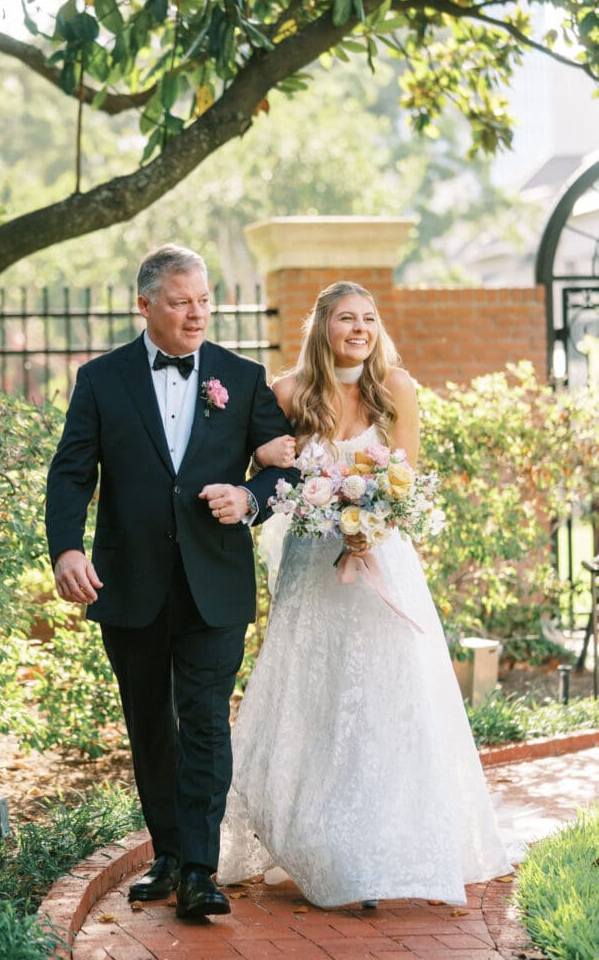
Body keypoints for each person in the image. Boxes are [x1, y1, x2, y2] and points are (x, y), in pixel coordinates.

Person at [217, 280, 512, 907]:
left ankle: (383, 846)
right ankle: (313, 838)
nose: (360, 329)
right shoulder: (289, 393)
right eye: (347, 318)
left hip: (381, 566)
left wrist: (368, 527)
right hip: (310, 570)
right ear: (322, 326)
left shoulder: (396, 389)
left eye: (369, 319)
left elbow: (402, 481)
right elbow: (272, 476)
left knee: (384, 698)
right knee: (314, 697)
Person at [45, 244, 297, 919]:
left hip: (214, 582)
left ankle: (197, 869)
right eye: (182, 301)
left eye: (204, 300)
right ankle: (165, 851)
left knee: (207, 723)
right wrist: (66, 548)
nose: (196, 314)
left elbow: (286, 470)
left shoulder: (242, 379)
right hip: (129, 583)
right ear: (145, 305)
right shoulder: (101, 380)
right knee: (151, 723)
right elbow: (72, 471)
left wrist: (248, 499)